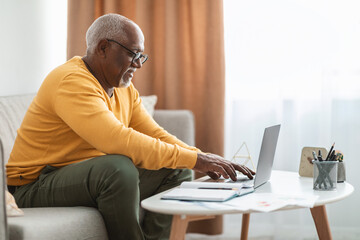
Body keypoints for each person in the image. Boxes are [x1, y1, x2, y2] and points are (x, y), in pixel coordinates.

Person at [6, 13, 255, 240]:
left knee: (177, 170)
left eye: (141, 56)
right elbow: (116, 139)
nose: (138, 64)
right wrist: (196, 159)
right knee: (117, 168)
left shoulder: (123, 89)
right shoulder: (71, 81)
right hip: (32, 185)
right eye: (133, 54)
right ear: (103, 47)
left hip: (76, 175)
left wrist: (198, 157)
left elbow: (155, 133)